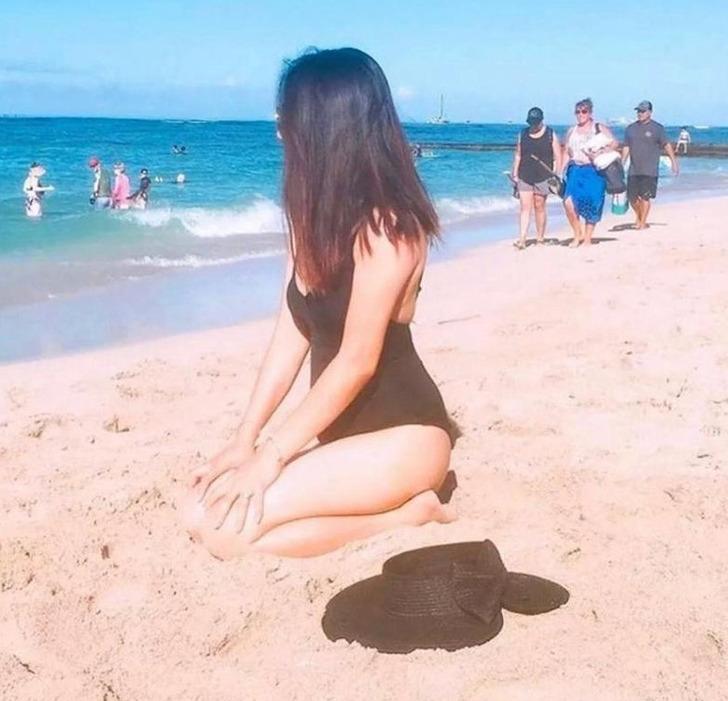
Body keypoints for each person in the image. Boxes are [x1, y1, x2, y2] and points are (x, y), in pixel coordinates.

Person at [182, 47, 458, 560]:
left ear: (324, 126)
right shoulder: (311, 219)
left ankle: (409, 514)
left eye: (286, 115)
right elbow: (291, 333)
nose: (278, 129)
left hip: (407, 437)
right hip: (339, 440)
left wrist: (271, 456)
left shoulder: (388, 229)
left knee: (223, 532)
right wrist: (244, 439)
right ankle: (393, 510)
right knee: (197, 509)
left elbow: (356, 362)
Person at [561, 98, 617, 247]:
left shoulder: (598, 128)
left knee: (592, 202)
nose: (581, 114)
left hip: (594, 170)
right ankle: (577, 234)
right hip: (575, 170)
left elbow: (614, 143)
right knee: (568, 202)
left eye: (584, 111)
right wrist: (560, 170)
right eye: (578, 112)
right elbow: (566, 151)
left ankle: (587, 238)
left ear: (590, 113)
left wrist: (600, 151)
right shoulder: (571, 131)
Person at [621, 100, 679, 230]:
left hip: (650, 170)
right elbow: (626, 147)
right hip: (634, 169)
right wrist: (621, 163)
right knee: (631, 197)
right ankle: (639, 216)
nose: (640, 113)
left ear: (650, 112)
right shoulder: (630, 129)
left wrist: (674, 162)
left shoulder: (657, 128)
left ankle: (642, 222)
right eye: (638, 111)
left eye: (643, 111)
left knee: (645, 197)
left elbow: (666, 145)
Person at [511, 107, 561, 248]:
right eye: (531, 123)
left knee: (539, 206)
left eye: (535, 122)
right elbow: (518, 155)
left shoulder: (550, 134)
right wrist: (515, 173)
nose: (533, 126)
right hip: (524, 175)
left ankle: (540, 238)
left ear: (541, 121)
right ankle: (522, 239)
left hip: (543, 176)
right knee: (525, 208)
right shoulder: (523, 134)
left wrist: (556, 174)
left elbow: (558, 155)